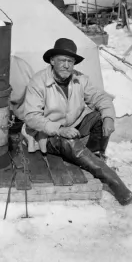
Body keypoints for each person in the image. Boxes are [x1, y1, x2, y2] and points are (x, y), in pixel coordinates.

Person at [23, 38, 132, 206]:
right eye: (62, 60)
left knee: (100, 117)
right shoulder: (38, 82)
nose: (67, 65)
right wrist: (59, 129)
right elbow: (31, 117)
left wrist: (109, 118)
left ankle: (94, 156)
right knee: (69, 142)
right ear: (52, 61)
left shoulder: (80, 79)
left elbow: (101, 98)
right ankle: (117, 186)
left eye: (70, 61)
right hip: (48, 134)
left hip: (73, 127)